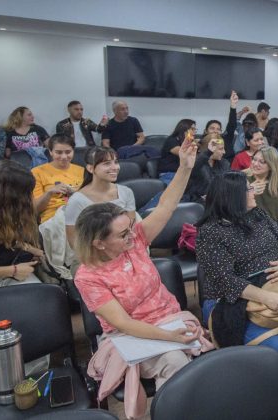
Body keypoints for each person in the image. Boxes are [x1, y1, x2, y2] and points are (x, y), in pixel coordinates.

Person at [74, 137, 211, 419]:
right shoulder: (88, 276)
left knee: (183, 361)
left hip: (169, 320)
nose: (133, 235)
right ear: (99, 243)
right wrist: (171, 337)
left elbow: (165, 207)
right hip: (130, 335)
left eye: (130, 229)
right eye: (123, 233)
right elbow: (123, 322)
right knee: (176, 360)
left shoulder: (133, 240)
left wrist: (185, 167)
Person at [196, 171, 278, 358]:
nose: (254, 192)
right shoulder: (210, 232)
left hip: (274, 286)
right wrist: (265, 297)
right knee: (275, 348)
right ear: (233, 197)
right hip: (234, 300)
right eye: (248, 189)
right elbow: (226, 281)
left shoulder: (257, 214)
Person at [0, 161, 43, 293]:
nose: (30, 198)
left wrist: (27, 248)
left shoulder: (6, 211)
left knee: (45, 301)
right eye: (27, 193)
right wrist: (13, 271)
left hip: (12, 275)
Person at [65, 147, 136, 251]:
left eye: (116, 162)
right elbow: (74, 242)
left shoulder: (126, 192)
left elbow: (131, 229)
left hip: (123, 250)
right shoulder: (77, 200)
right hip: (93, 254)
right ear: (90, 168)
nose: (114, 167)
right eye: (107, 163)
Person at [32, 135, 84, 223]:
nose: (64, 157)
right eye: (58, 152)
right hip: (53, 217)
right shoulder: (37, 172)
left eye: (68, 152)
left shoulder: (82, 171)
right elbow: (36, 209)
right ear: (50, 152)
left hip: (79, 213)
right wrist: (49, 192)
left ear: (73, 151)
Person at [249, 146, 278, 232]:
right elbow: (234, 209)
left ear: (271, 165)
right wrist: (249, 191)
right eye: (254, 159)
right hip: (250, 229)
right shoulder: (242, 179)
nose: (255, 164)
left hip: (274, 229)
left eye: (262, 162)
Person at [183, 134, 230, 204]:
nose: (224, 152)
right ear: (210, 148)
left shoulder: (224, 163)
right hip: (196, 203)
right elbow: (193, 169)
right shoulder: (195, 162)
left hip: (218, 202)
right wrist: (208, 152)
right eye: (220, 149)